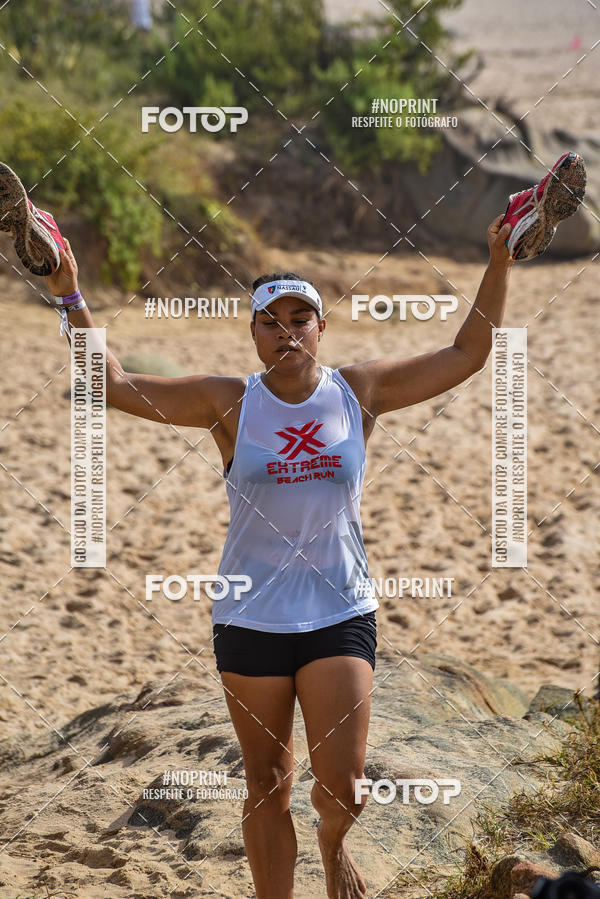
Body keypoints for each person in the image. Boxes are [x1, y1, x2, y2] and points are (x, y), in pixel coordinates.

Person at [1, 161, 522, 899]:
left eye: (299, 319)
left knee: (341, 789)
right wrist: (68, 292)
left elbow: (468, 354)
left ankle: (333, 845)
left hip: (340, 609)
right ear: (251, 335)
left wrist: (498, 260)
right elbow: (107, 385)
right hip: (250, 616)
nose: (286, 334)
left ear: (319, 325)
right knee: (267, 784)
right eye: (270, 323)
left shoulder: (357, 391)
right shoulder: (226, 402)